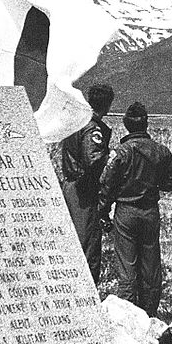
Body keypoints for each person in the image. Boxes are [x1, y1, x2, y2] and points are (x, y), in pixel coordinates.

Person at [98, 102, 172, 316]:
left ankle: (129, 315)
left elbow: (107, 185)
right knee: (151, 267)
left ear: (126, 125)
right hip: (150, 211)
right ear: (146, 124)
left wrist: (103, 211)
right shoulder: (161, 151)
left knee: (127, 267)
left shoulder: (121, 152)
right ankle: (149, 313)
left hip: (126, 211)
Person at [60, 84, 114, 283]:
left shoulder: (76, 122)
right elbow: (94, 159)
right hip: (84, 190)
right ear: (107, 104)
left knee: (74, 240)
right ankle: (85, 291)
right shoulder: (92, 127)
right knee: (87, 244)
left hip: (71, 185)